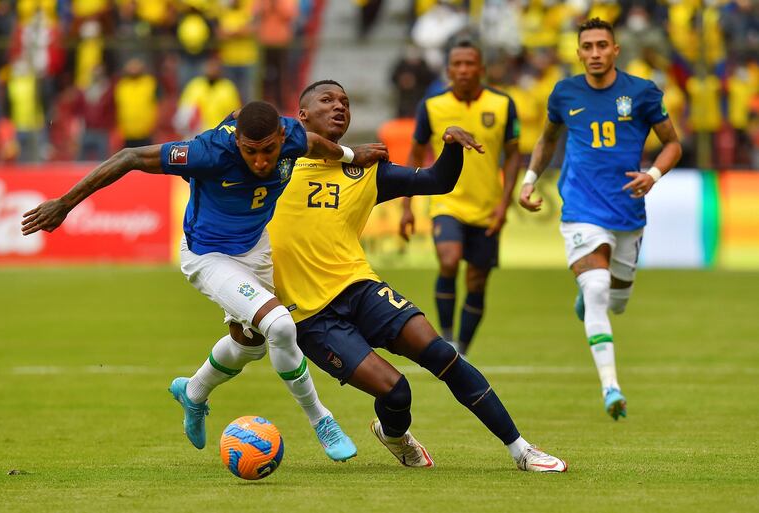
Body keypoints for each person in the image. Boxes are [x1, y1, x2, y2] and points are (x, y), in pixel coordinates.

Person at [20, 100, 389, 459]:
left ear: (281, 136)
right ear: (237, 141)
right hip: (208, 256)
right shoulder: (207, 153)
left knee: (251, 345)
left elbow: (317, 144)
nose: (261, 161)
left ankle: (193, 392)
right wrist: (65, 203)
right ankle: (322, 420)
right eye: (250, 151)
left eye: (269, 151)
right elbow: (129, 157)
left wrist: (351, 155)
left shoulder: (293, 135)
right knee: (279, 326)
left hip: (255, 249)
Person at [267, 79, 567, 472]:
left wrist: (451, 147)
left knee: (444, 355)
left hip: (359, 287)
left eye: (346, 101)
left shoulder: (366, 170)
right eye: (327, 100)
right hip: (310, 316)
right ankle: (394, 435)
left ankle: (522, 450)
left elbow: (437, 180)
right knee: (396, 392)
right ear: (302, 115)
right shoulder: (273, 165)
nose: (340, 106)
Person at [518, 18, 682, 420]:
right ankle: (611, 386)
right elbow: (547, 140)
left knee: (617, 301)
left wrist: (652, 175)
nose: (595, 53)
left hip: (627, 210)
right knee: (596, 288)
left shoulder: (642, 93)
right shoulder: (564, 93)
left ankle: (592, 296)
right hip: (581, 208)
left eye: (602, 46)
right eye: (587, 46)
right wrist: (529, 180)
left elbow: (673, 144)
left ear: (615, 50)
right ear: (578, 52)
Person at [399, 39, 521, 356]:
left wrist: (504, 203)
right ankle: (447, 338)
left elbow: (513, 155)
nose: (464, 70)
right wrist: (406, 205)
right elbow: (415, 154)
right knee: (449, 260)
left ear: (481, 69)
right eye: (458, 64)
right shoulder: (432, 106)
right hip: (447, 202)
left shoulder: (503, 104)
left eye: (470, 64)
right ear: (449, 70)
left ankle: (462, 350)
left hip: (487, 207)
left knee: (477, 281)